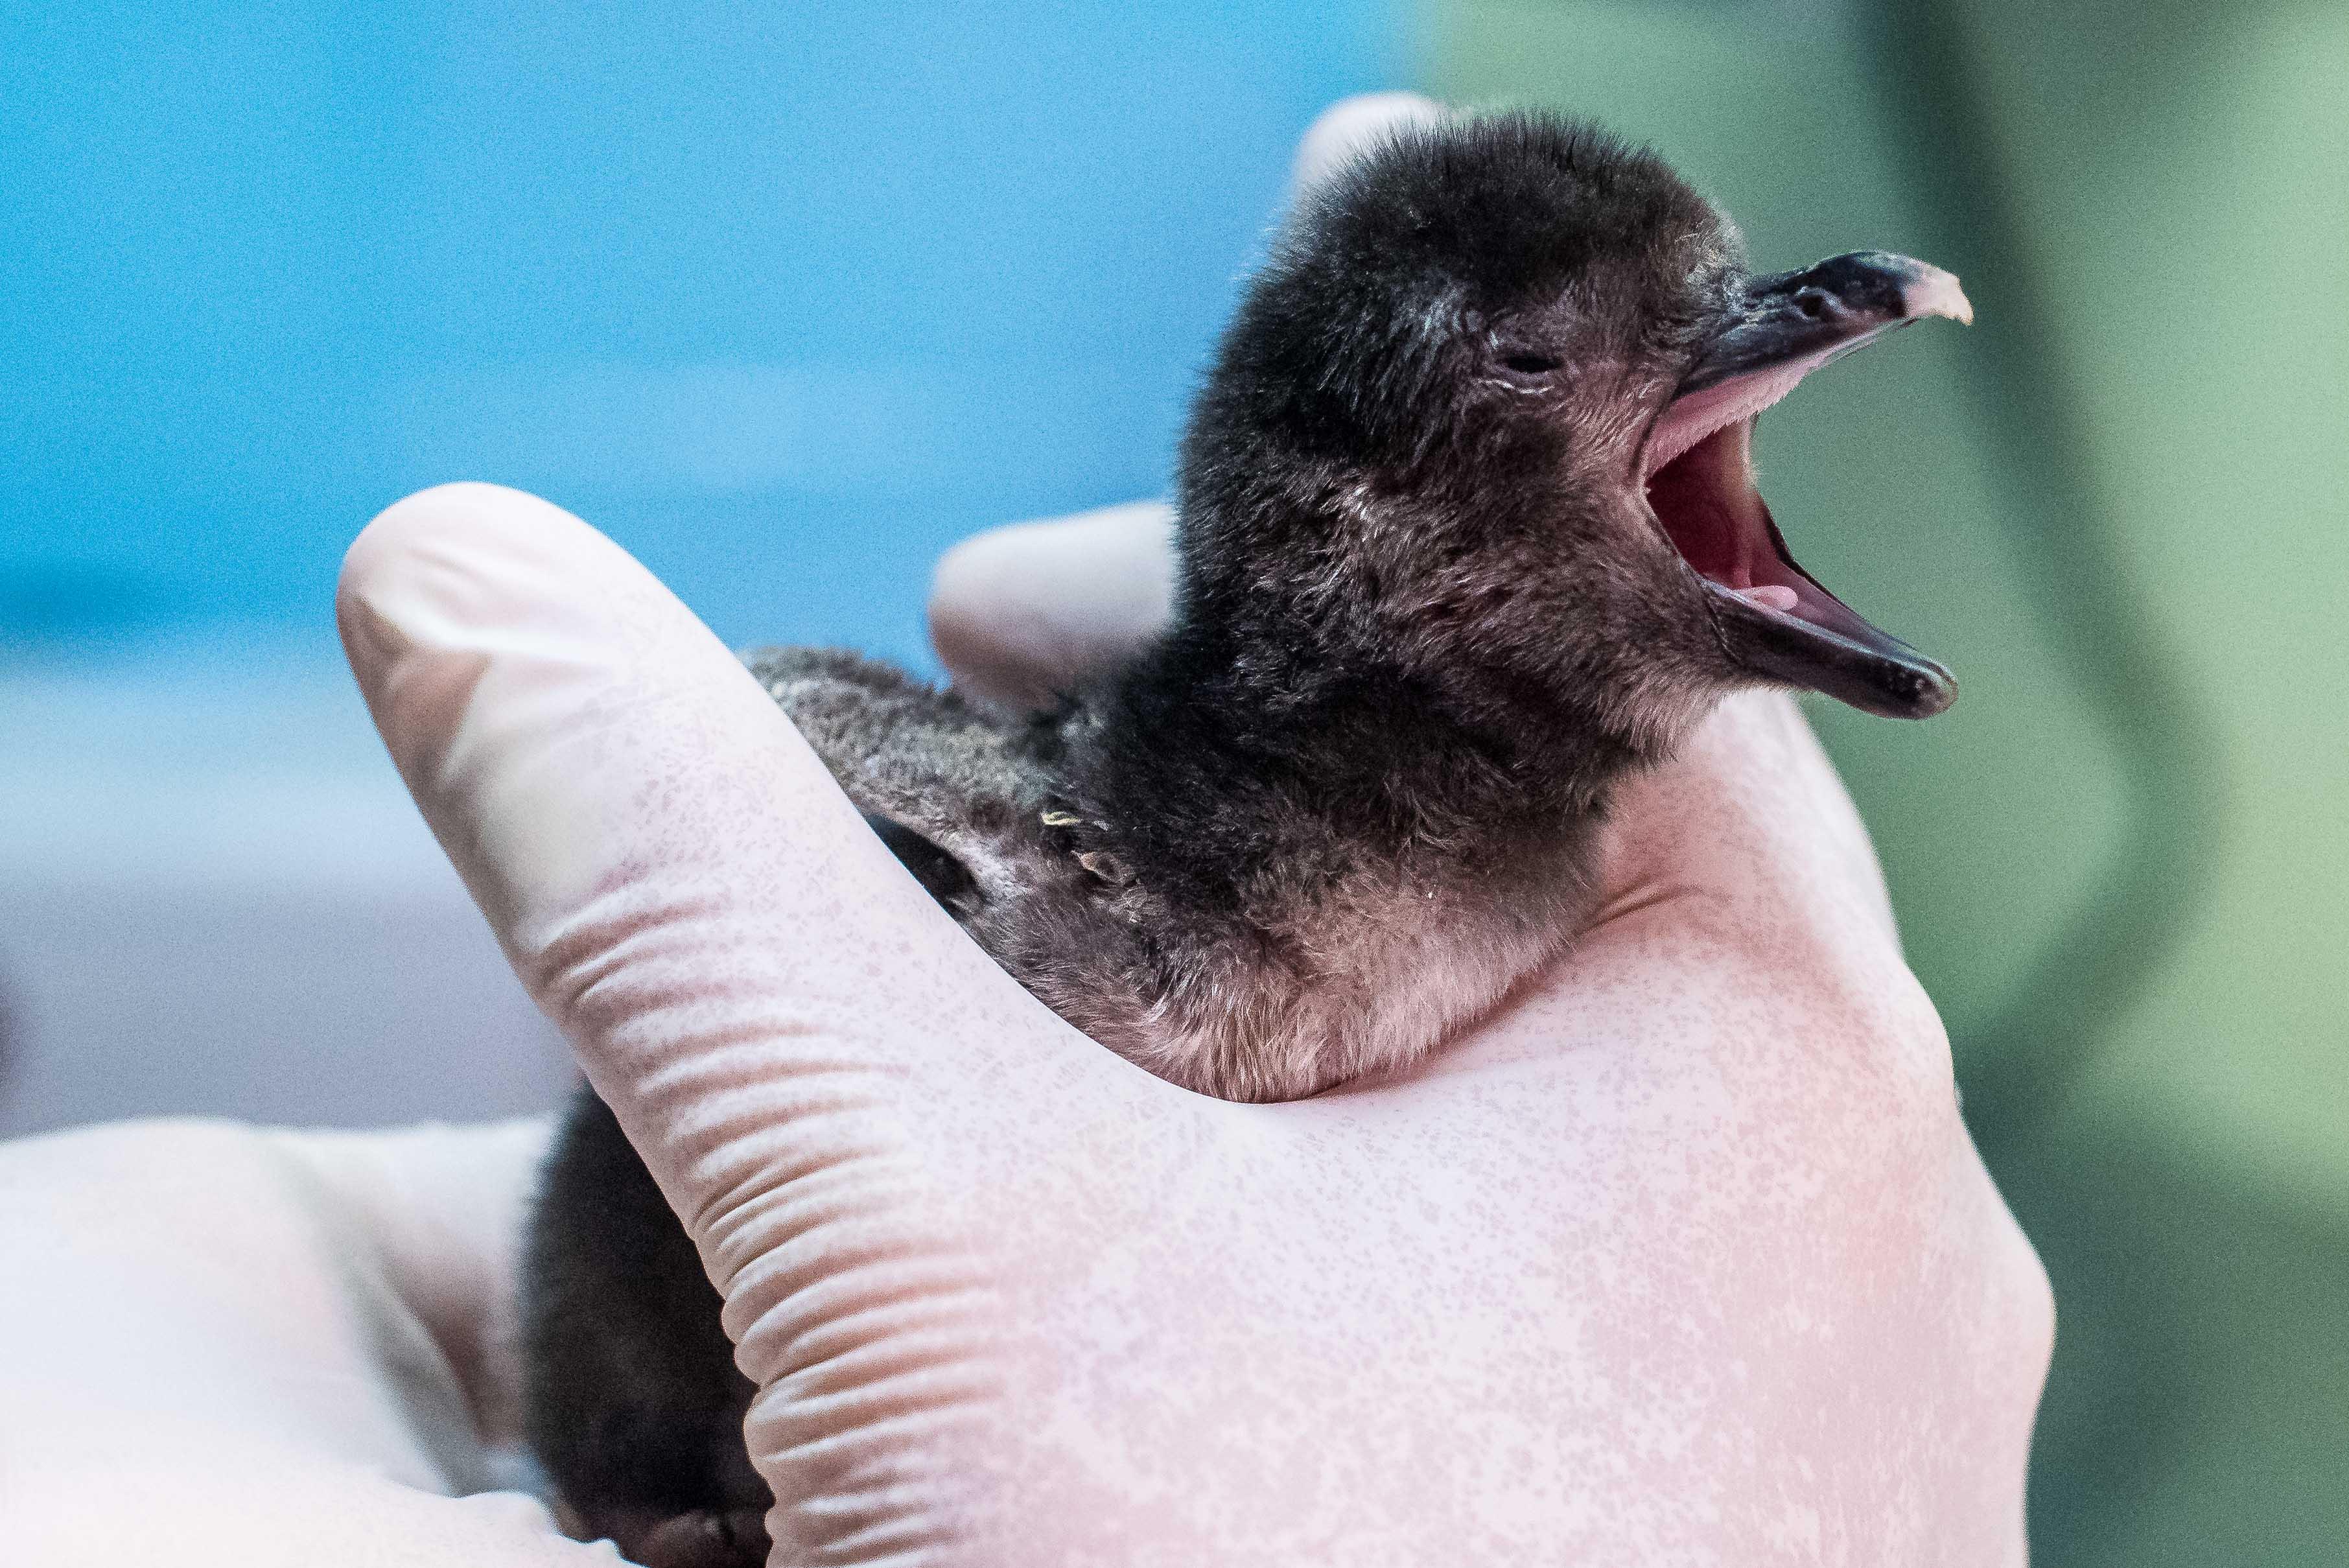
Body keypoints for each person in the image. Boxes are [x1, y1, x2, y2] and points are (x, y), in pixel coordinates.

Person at [0, 98, 2048, 1568]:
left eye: (1703, 306)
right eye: (1532, 363)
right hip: (683, 1445)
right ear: (1344, 513)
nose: (1763, 327)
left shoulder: (1510, 880)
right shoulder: (1082, 885)